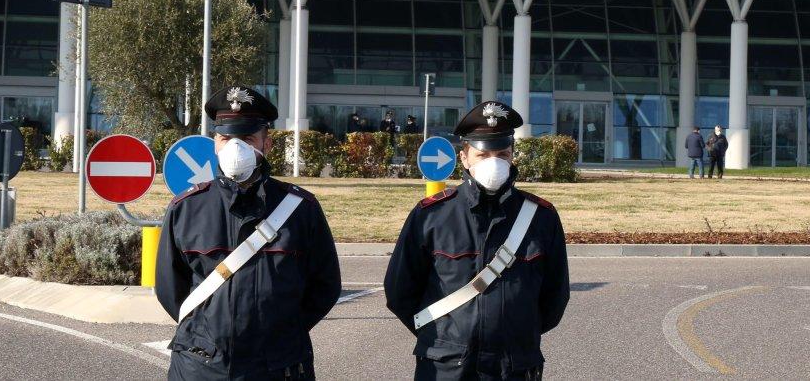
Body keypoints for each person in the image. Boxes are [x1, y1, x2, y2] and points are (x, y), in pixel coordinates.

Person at [155, 85, 341, 380]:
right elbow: (169, 288)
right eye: (226, 138)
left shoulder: (300, 209)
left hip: (279, 366)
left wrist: (281, 333)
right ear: (215, 143)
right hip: (200, 365)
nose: (235, 148)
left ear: (266, 145)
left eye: (247, 138)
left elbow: (324, 286)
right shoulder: (186, 208)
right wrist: (206, 334)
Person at [384, 100, 570, 380]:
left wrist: (516, 334)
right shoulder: (431, 215)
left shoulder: (541, 217)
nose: (494, 163)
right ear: (465, 157)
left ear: (511, 157)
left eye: (502, 154)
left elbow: (555, 297)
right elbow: (400, 291)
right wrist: (445, 337)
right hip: (446, 366)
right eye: (483, 155)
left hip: (515, 366)